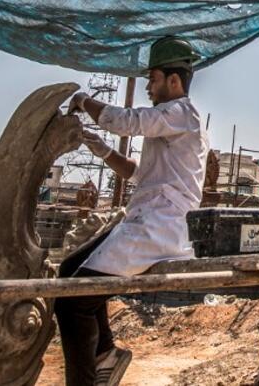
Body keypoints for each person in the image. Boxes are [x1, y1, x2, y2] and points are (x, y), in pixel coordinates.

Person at [55, 36, 209, 386]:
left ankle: (88, 375)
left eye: (152, 80)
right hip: (145, 218)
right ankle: (105, 354)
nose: (148, 89)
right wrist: (103, 151)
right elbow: (140, 174)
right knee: (68, 270)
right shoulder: (171, 124)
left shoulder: (182, 113)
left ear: (174, 80)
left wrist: (83, 101)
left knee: (72, 300)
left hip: (159, 225)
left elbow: (126, 121)